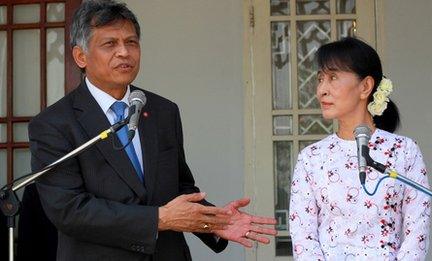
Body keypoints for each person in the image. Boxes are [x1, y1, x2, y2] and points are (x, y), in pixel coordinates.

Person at [28, 1, 276, 260]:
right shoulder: (53, 124)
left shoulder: (162, 111)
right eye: (110, 44)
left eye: (131, 42)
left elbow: (179, 187)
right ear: (81, 56)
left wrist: (215, 222)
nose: (124, 52)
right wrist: (159, 219)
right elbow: (69, 210)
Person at [289, 37, 431, 260]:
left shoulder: (404, 151)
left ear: (365, 86)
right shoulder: (312, 158)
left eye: (333, 77)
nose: (321, 90)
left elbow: (417, 232)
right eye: (320, 79)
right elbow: (303, 235)